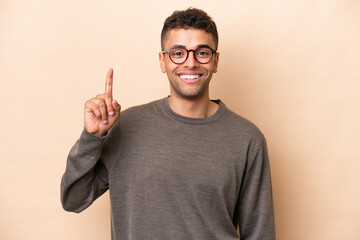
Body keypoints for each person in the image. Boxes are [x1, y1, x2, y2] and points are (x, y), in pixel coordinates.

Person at [61, 8, 276, 240]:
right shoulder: (126, 126)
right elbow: (73, 199)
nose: (191, 63)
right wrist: (91, 138)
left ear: (215, 61)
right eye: (178, 53)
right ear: (163, 61)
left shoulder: (247, 139)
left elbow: (259, 233)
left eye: (202, 52)